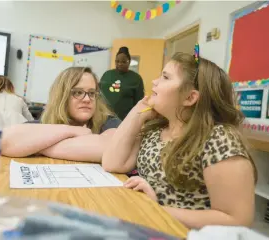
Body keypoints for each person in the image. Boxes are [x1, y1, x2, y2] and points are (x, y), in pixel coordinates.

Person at [102, 50, 257, 229]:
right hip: (146, 225)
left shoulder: (218, 139)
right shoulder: (155, 129)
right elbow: (112, 163)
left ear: (190, 97)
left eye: (165, 78)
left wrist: (156, 209)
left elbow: (238, 220)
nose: (154, 81)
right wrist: (137, 114)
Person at [1, 67, 121, 162]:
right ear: (62, 96)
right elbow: (3, 141)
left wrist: (37, 146)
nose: (87, 99)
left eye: (92, 93)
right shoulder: (47, 122)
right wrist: (72, 131)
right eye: (78, 92)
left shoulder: (108, 121)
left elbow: (113, 149)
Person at [100, 46, 145, 120]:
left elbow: (139, 102)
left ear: (129, 62)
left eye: (124, 61)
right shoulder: (107, 74)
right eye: (117, 61)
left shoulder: (136, 78)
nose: (120, 64)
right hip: (104, 117)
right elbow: (98, 94)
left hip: (124, 119)